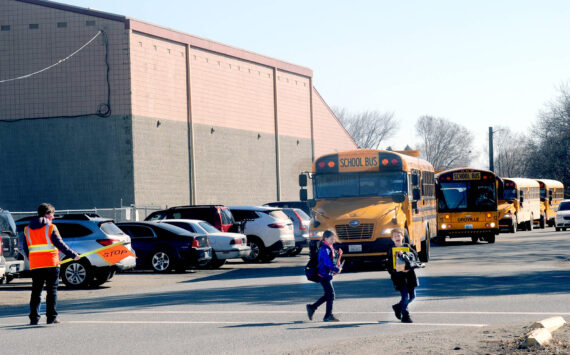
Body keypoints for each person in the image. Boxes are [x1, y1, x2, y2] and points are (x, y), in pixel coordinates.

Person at [23, 203, 80, 325]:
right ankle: (51, 317)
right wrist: (73, 255)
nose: (53, 217)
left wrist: (33, 259)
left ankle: (34, 318)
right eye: (52, 214)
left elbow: (26, 247)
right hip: (51, 264)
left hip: (36, 265)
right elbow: (60, 245)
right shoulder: (51, 227)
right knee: (51, 291)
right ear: (47, 214)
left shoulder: (27, 230)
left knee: (36, 292)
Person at [306, 230, 343, 322]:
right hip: (323, 275)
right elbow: (327, 263)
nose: (333, 241)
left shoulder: (329, 247)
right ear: (325, 238)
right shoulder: (324, 249)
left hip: (326, 275)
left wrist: (337, 265)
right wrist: (336, 269)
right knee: (331, 295)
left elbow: (332, 261)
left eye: (333, 239)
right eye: (331, 239)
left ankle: (312, 307)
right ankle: (327, 315)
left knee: (329, 295)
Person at [387, 227, 419, 323]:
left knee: (412, 296)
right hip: (398, 277)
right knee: (405, 295)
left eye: (399, 235)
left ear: (402, 236)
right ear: (392, 239)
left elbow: (415, 258)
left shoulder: (408, 247)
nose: (397, 237)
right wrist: (397, 271)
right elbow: (389, 265)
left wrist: (409, 268)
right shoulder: (391, 250)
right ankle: (405, 315)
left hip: (409, 276)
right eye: (394, 236)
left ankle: (398, 307)